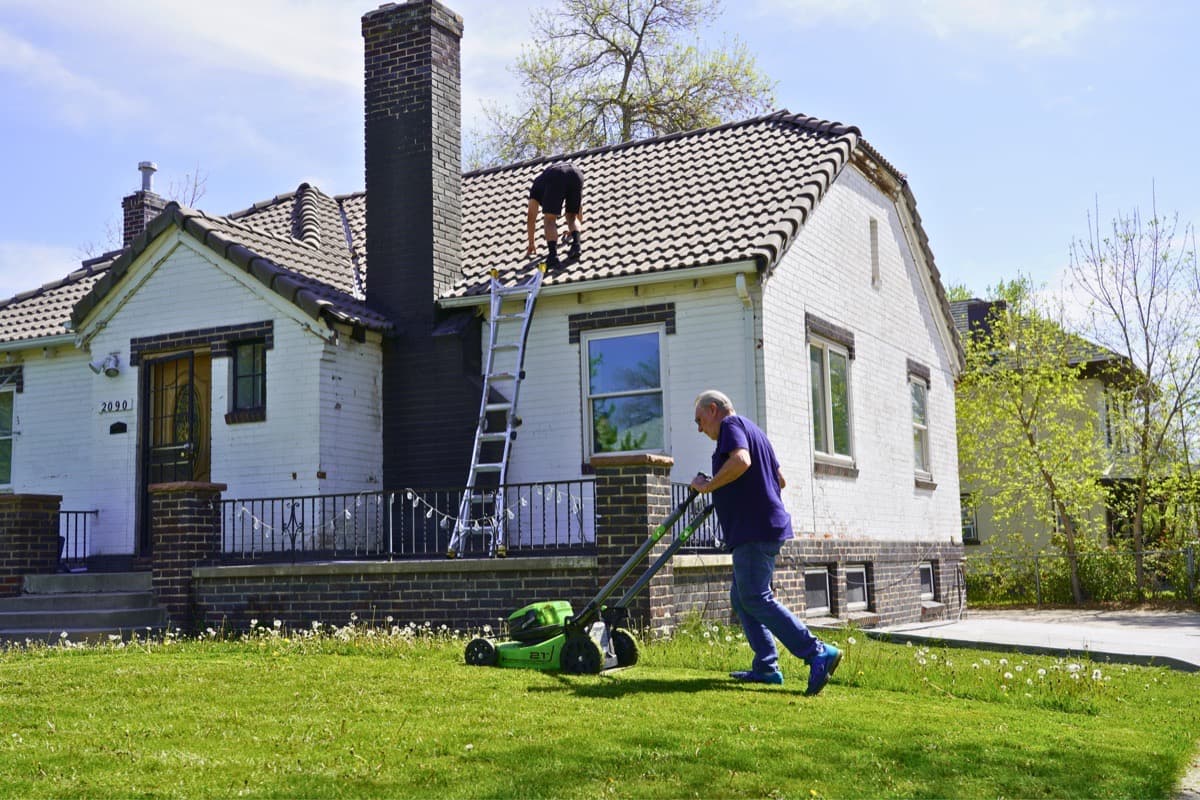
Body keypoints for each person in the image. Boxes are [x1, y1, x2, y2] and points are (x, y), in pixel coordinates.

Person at [689, 389, 842, 695]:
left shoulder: (731, 427)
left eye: (699, 419)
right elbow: (780, 480)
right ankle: (767, 667)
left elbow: (742, 462)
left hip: (754, 529)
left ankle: (817, 652)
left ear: (714, 409)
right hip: (763, 526)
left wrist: (709, 486)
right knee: (742, 597)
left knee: (756, 597)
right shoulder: (755, 432)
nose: (698, 428)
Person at [526, 162, 583, 269]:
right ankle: (576, 246)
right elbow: (579, 209)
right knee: (572, 216)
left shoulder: (536, 187)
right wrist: (575, 232)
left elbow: (531, 217)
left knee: (549, 219)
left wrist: (531, 243)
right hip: (577, 173)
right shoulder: (543, 181)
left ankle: (553, 256)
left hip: (556, 175)